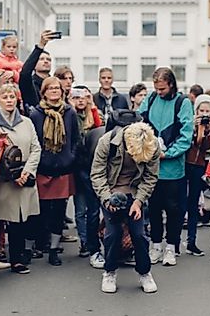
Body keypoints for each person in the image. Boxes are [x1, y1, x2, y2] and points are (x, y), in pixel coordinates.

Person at [90, 121, 160, 294]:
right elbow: (97, 173)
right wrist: (107, 199)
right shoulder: (107, 142)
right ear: (128, 145)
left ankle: (145, 272)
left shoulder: (153, 145)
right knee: (112, 234)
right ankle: (110, 271)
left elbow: (151, 177)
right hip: (111, 191)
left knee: (139, 234)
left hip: (135, 193)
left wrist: (139, 202)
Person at [138, 67, 194, 267]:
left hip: (174, 170)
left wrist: (167, 153)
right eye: (156, 88)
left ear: (171, 84)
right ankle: (155, 246)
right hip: (151, 170)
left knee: (174, 210)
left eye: (162, 88)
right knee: (153, 209)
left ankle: (171, 247)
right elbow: (138, 122)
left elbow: (186, 136)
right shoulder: (151, 99)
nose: (158, 91)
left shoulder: (183, 102)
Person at [29, 77, 79, 266]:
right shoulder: (36, 113)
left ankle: (53, 250)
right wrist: (40, 161)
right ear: (44, 92)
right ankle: (38, 245)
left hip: (63, 169)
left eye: (57, 88)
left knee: (59, 211)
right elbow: (34, 141)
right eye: (50, 88)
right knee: (39, 211)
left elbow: (75, 138)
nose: (54, 91)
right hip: (42, 169)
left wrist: (70, 158)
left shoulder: (69, 112)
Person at [0, 83, 41, 274]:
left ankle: (17, 260)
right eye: (5, 97)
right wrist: (12, 175)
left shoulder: (27, 122)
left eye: (12, 97)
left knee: (19, 220)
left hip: (24, 175)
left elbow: (36, 148)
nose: (9, 100)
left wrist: (26, 172)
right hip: (4, 179)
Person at [70, 86, 105, 264]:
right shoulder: (69, 115)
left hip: (94, 166)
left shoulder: (94, 113)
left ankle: (93, 243)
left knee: (93, 210)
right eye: (76, 97)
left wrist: (93, 107)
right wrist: (70, 107)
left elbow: (101, 132)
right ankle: (86, 242)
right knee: (81, 209)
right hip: (78, 167)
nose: (80, 100)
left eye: (84, 97)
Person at [184, 94, 210, 256]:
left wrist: (206, 130)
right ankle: (174, 243)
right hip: (184, 165)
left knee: (193, 204)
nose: (204, 114)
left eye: (207, 111)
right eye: (201, 110)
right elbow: (187, 142)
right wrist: (194, 127)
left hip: (199, 166)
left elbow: (204, 146)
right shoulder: (188, 123)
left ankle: (191, 241)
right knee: (179, 203)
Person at [19, 30, 58, 108]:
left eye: (48, 60)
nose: (46, 61)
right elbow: (24, 73)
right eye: (41, 59)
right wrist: (40, 46)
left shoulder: (55, 82)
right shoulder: (30, 83)